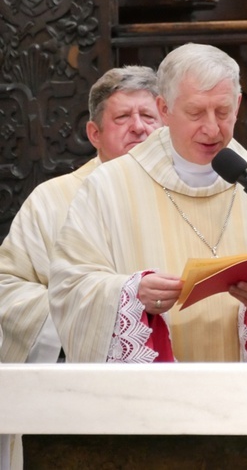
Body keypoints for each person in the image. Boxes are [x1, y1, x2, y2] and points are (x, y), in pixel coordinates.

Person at [49, 43, 247, 363]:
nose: (212, 128)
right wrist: (131, 294)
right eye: (196, 112)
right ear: (164, 109)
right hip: (154, 400)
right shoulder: (109, 186)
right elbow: (70, 288)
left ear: (238, 104)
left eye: (223, 112)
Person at [0, 66, 162, 364]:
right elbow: (8, 287)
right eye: (123, 117)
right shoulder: (50, 200)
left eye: (149, 116)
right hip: (84, 375)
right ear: (94, 133)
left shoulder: (190, 192)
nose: (139, 127)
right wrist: (106, 311)